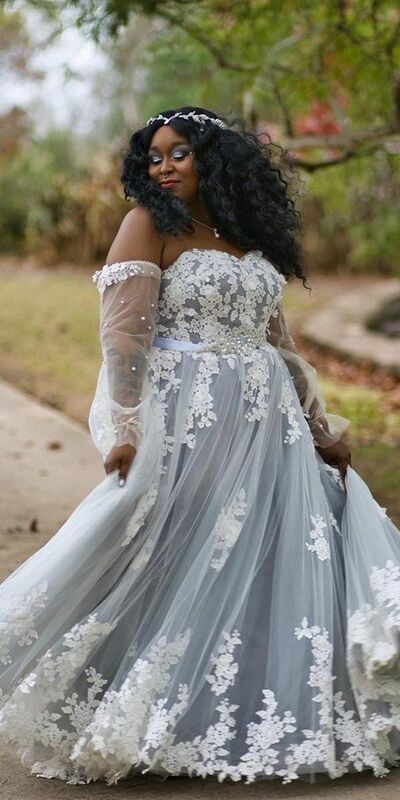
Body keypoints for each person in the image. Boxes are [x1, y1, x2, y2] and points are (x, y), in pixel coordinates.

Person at [0, 105, 400, 788]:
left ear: (214, 159)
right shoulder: (150, 224)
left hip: (266, 422)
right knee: (166, 539)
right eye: (154, 156)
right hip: (189, 414)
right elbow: (123, 337)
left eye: (179, 153)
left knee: (261, 553)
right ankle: (118, 698)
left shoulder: (246, 235)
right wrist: (123, 428)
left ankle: (235, 706)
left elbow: (280, 344)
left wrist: (319, 426)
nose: (163, 167)